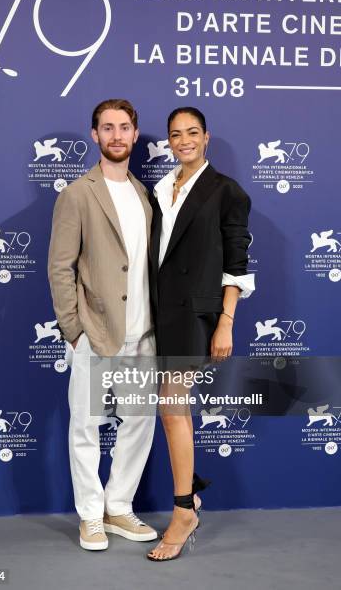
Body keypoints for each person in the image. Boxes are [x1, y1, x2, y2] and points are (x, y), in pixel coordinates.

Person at [48, 99, 157, 551]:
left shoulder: (145, 195)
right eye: (107, 127)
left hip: (144, 335)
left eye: (124, 127)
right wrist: (74, 330)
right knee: (86, 426)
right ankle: (90, 515)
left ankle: (118, 508)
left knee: (137, 424)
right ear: (94, 135)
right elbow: (60, 268)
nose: (116, 135)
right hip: (95, 334)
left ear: (135, 134)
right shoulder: (77, 194)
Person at [147, 107, 254, 561]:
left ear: (206, 138)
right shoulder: (159, 188)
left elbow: (237, 263)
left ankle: (183, 510)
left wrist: (226, 321)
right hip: (157, 310)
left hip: (196, 314)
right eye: (176, 134)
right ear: (169, 141)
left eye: (192, 133)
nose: (184, 140)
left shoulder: (226, 191)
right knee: (174, 411)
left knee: (172, 409)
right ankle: (190, 497)